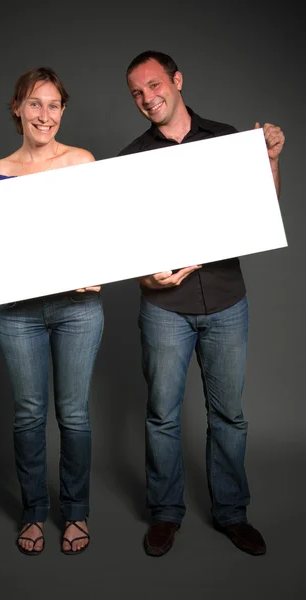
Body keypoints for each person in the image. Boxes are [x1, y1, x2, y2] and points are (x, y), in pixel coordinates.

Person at [117, 50, 285, 557]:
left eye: (154, 85)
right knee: (162, 416)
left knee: (228, 416)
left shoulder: (226, 138)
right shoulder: (130, 159)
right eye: (137, 93)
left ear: (177, 80)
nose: (148, 98)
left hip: (228, 302)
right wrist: (148, 274)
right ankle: (166, 514)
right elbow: (125, 243)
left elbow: (262, 209)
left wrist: (271, 159)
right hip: (164, 309)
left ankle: (232, 514)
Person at [0, 67, 104, 556]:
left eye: (54, 105)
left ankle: (76, 511)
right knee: (28, 415)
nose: (45, 115)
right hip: (18, 312)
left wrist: (100, 264)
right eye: (35, 104)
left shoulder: (81, 161)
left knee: (75, 415)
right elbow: (2, 250)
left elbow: (108, 227)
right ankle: (33, 512)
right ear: (17, 108)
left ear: (64, 111)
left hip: (78, 307)